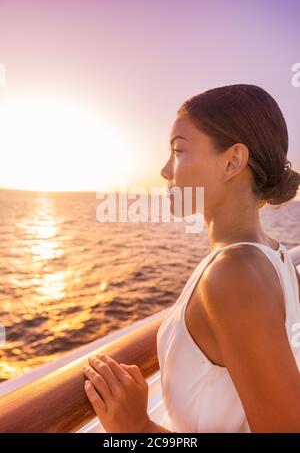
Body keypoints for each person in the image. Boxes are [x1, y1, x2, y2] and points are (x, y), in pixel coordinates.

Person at [83, 84, 300, 433]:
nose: (165, 170)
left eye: (179, 151)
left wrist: (138, 429)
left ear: (232, 161)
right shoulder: (276, 256)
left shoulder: (233, 276)